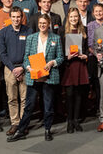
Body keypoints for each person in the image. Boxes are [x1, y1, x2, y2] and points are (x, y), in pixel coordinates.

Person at [7, 14, 64, 142]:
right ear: (38, 24)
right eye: (40, 23)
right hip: (34, 76)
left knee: (48, 106)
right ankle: (21, 131)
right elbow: (26, 57)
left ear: (48, 24)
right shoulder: (31, 38)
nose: (42, 25)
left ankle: (47, 130)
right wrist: (28, 68)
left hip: (48, 77)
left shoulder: (56, 38)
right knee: (29, 105)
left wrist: (52, 63)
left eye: (44, 23)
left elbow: (60, 57)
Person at [0, 7, 32, 136]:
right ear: (10, 17)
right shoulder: (3, 32)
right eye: (13, 17)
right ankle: (15, 123)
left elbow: (31, 51)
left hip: (25, 68)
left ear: (22, 17)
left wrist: (22, 67)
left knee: (24, 98)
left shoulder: (28, 31)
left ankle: (23, 124)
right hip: (9, 68)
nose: (16, 19)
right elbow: (2, 54)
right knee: (12, 98)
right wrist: (13, 69)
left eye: (18, 17)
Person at [58, 8, 89, 133]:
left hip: (80, 65)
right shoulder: (62, 31)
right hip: (68, 66)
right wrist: (67, 57)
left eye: (76, 16)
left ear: (79, 17)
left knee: (78, 95)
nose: (74, 19)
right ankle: (69, 121)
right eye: (71, 17)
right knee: (69, 95)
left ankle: (76, 120)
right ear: (68, 17)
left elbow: (87, 49)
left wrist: (85, 55)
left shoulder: (84, 30)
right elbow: (59, 49)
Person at [86, 4, 103, 114]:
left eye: (101, 11)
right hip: (93, 57)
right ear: (93, 13)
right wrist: (97, 54)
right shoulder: (90, 25)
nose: (98, 13)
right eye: (96, 11)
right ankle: (97, 107)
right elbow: (89, 44)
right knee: (95, 82)